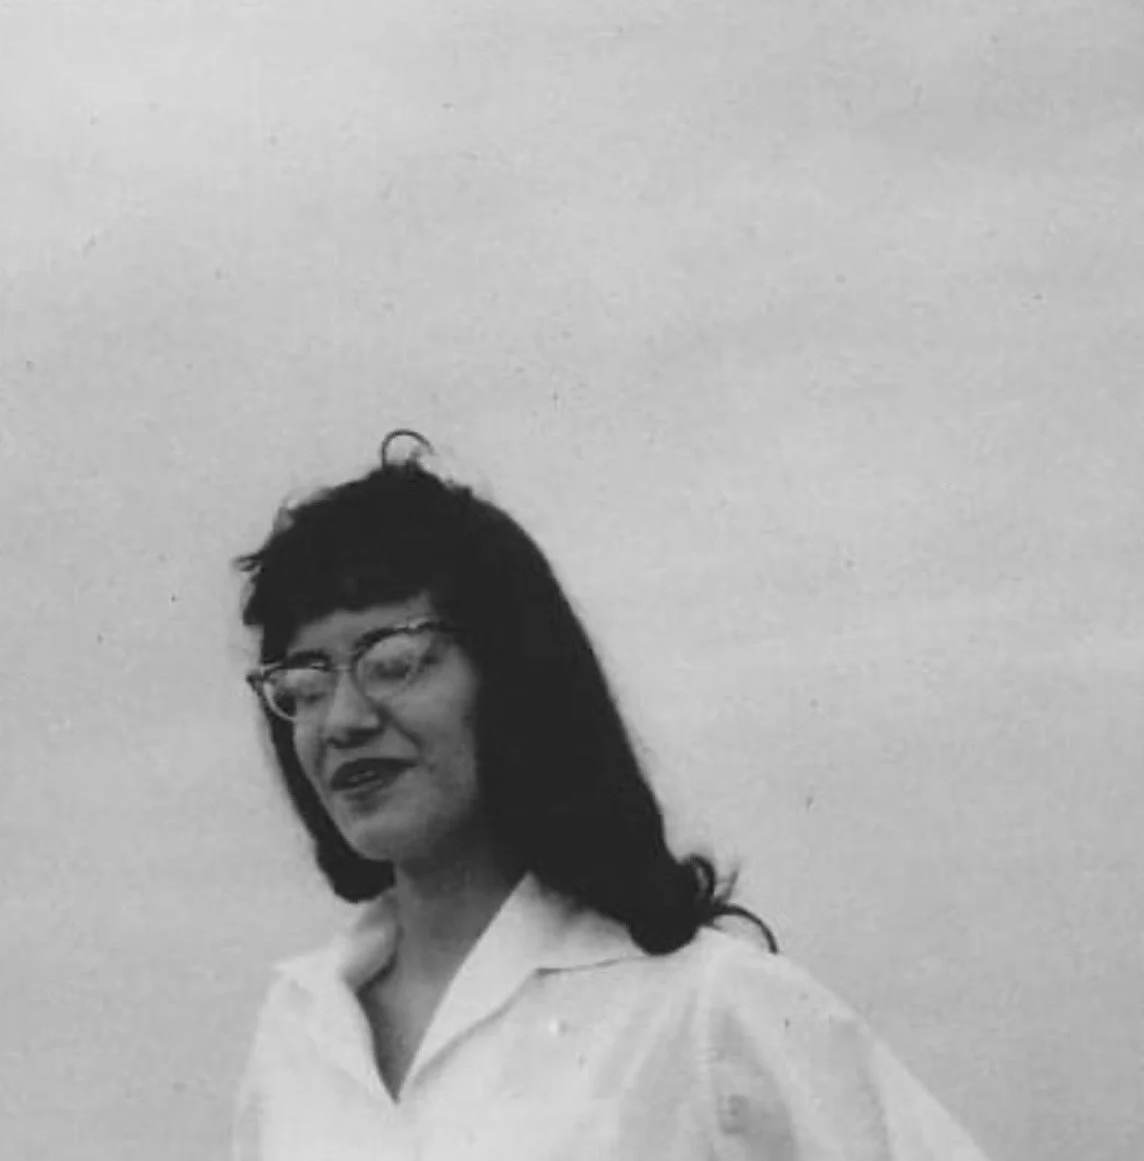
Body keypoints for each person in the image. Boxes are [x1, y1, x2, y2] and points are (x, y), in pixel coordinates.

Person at [230, 431, 992, 1161]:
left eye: (392, 660)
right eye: (305, 682)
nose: (344, 718)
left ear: (511, 679)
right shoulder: (300, 1027)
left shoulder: (701, 1005)